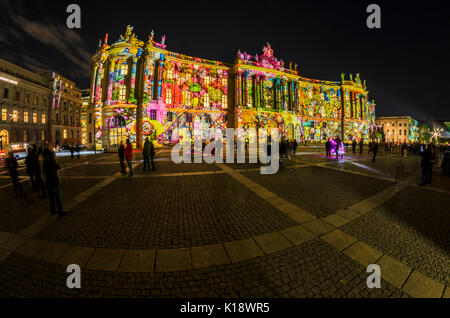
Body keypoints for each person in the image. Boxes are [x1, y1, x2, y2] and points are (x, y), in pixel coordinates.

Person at [42, 147, 66, 216]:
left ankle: (52, 211)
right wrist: (54, 159)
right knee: (58, 197)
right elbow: (58, 166)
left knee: (51, 198)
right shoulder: (50, 161)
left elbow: (44, 171)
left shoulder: (45, 161)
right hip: (54, 181)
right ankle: (60, 211)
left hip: (48, 181)